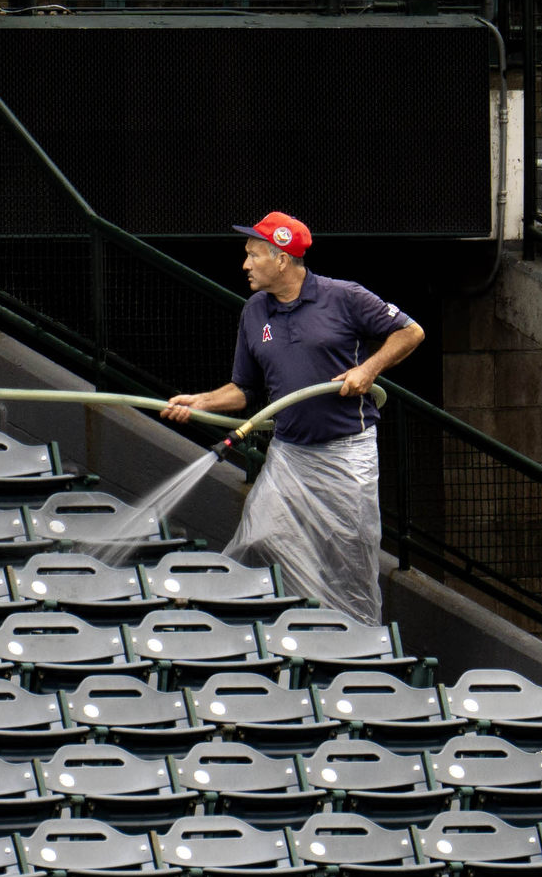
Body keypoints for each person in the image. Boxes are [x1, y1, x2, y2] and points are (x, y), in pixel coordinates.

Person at [160, 211, 422, 626]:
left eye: (254, 255)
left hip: (346, 455)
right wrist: (202, 403)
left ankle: (358, 644)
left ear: (281, 259)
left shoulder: (344, 296)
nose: (245, 265)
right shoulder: (254, 311)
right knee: (259, 538)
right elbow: (245, 390)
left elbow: (410, 332)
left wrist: (366, 370)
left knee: (349, 555)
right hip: (289, 455)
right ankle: (235, 632)